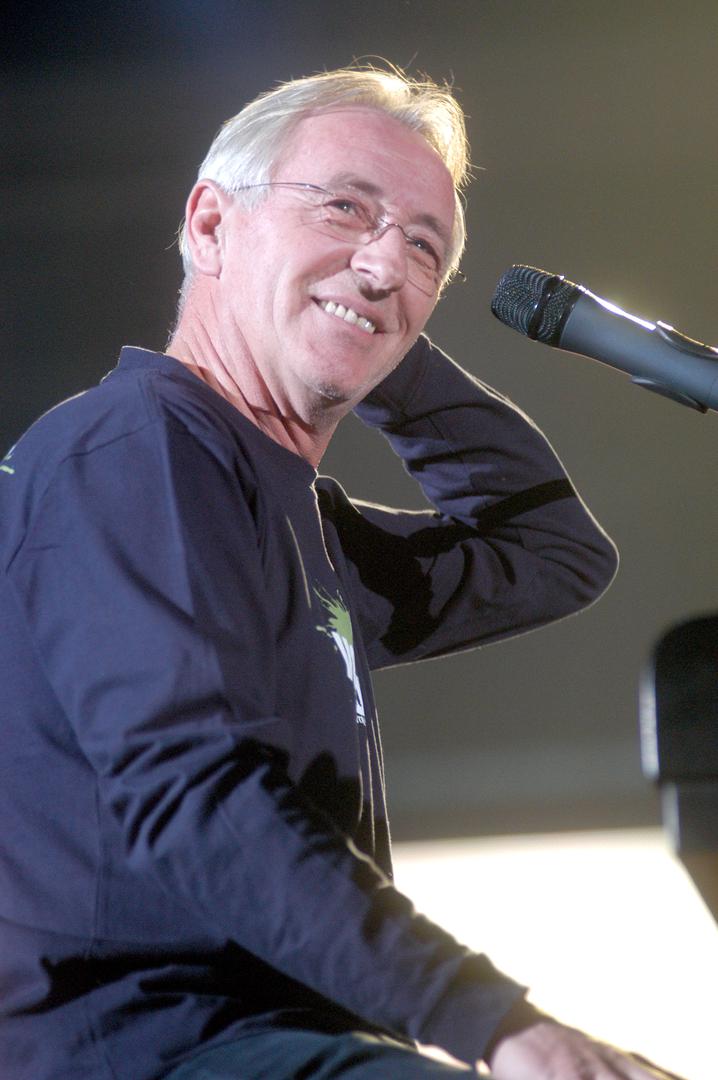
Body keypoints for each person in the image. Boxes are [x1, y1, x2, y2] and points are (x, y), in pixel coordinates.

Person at [0, 66, 683, 1080]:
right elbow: (194, 800)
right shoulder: (136, 452)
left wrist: (359, 317)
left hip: (287, 1040)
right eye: (344, 208)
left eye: (424, 248)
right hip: (153, 1049)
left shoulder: (296, 517)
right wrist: (497, 1024)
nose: (386, 259)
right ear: (211, 225)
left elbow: (551, 554)